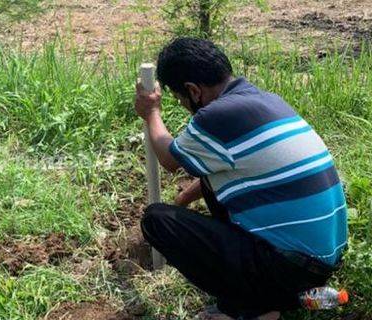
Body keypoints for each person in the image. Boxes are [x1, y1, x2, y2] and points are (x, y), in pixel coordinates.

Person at [134, 37, 348, 320]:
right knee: (212, 183)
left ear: (193, 91)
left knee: (157, 220)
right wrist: (185, 196)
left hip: (288, 269)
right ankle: (283, 297)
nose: (184, 105)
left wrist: (151, 112)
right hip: (320, 262)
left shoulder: (216, 116)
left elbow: (170, 158)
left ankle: (254, 309)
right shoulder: (266, 100)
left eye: (180, 99)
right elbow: (238, 170)